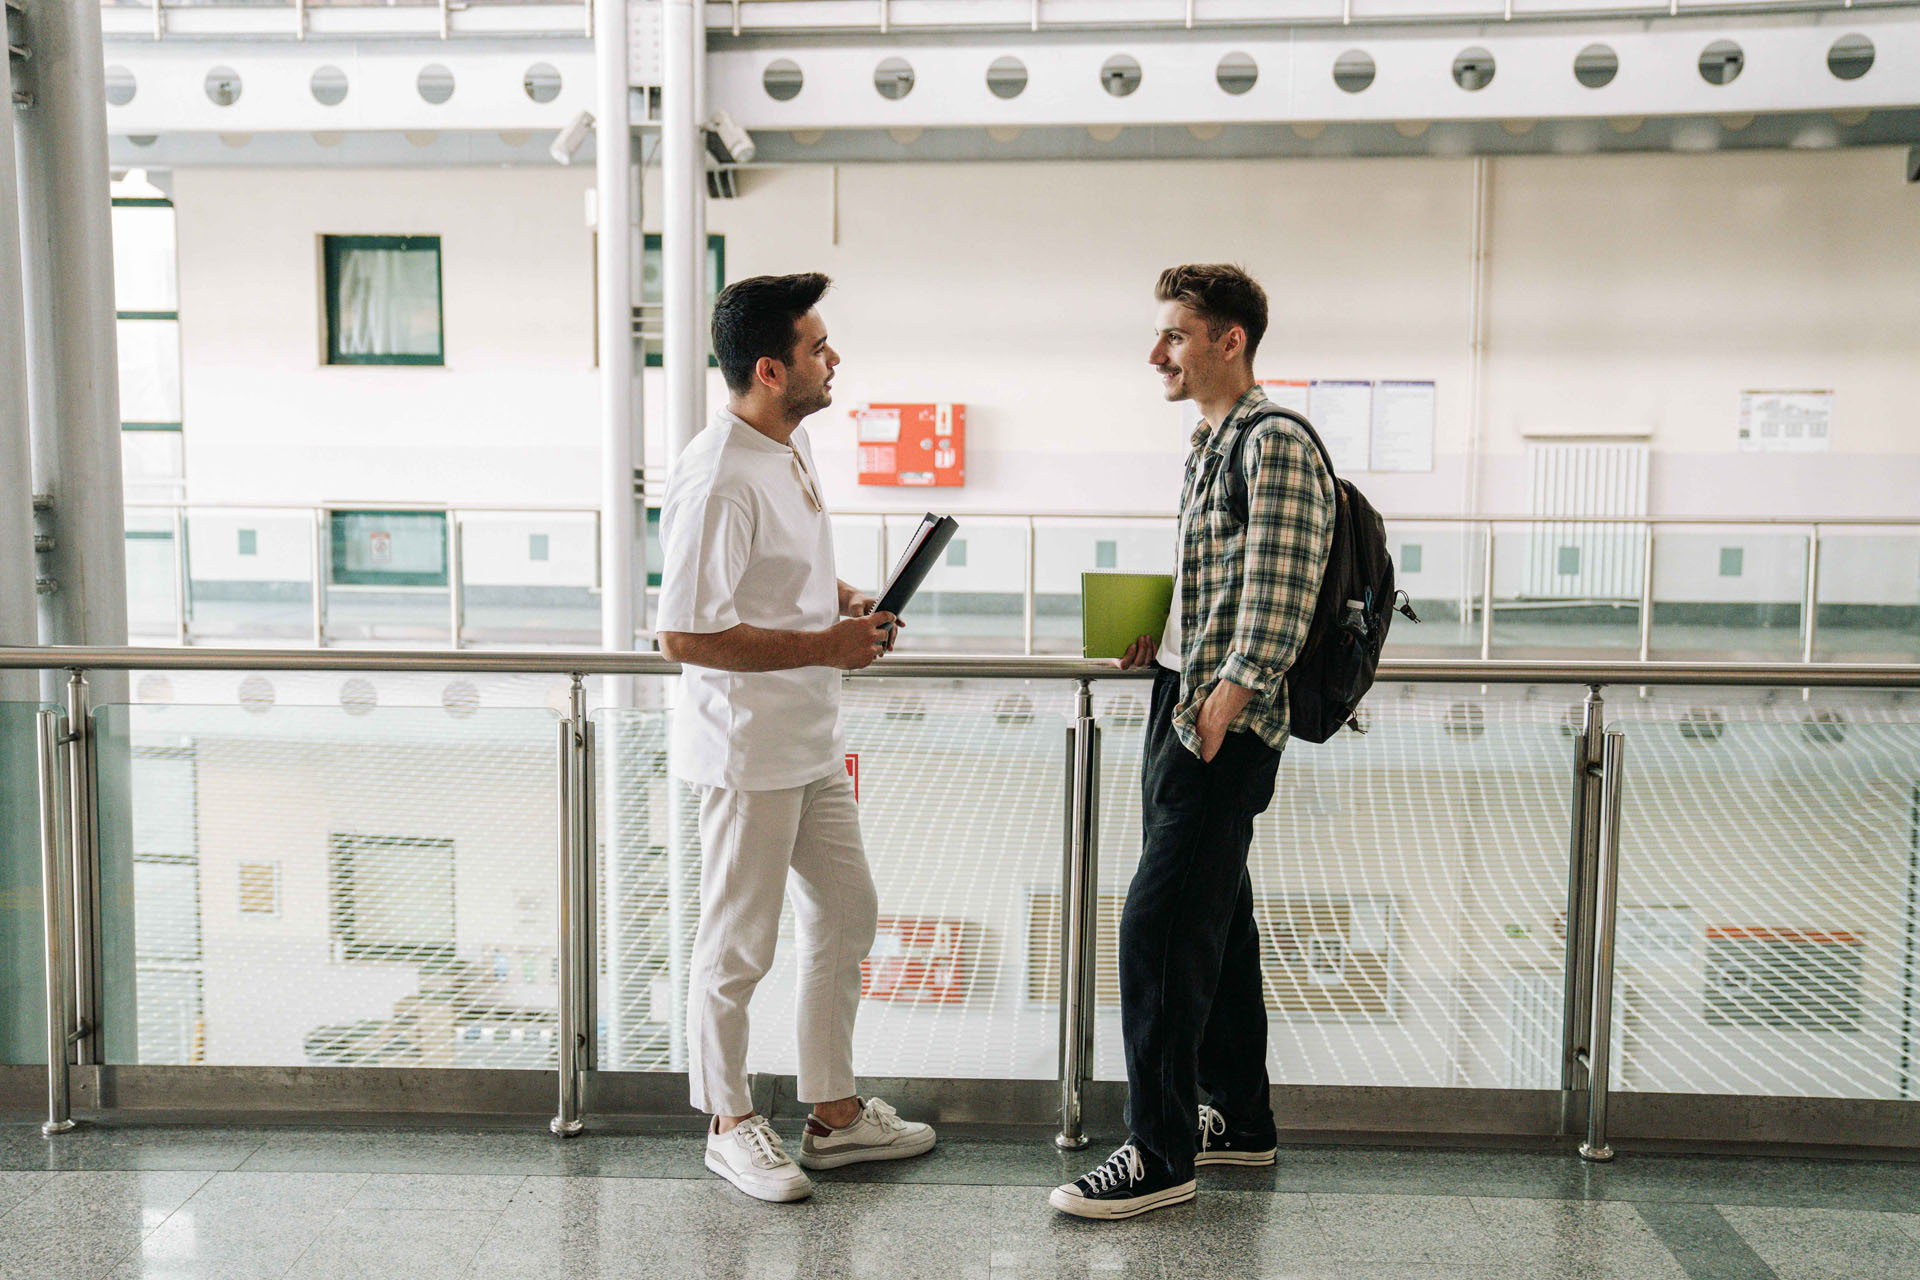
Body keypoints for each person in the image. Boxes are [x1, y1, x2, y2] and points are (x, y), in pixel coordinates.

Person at [1051, 264, 1335, 1220]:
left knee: (1159, 927)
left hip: (1224, 719)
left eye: (1174, 334)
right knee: (1219, 918)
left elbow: (1281, 588)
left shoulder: (1277, 441)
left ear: (1230, 341)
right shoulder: (1209, 444)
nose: (1156, 352)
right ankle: (1240, 1119)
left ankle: (1159, 1150)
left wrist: (1227, 700)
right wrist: (1166, 636)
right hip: (1184, 695)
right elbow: (1224, 577)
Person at [656, 272, 936, 1203]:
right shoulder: (717, 474)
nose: (835, 359)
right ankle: (729, 1121)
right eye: (819, 347)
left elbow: (771, 580)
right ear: (772, 369)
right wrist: (827, 643)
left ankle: (834, 1114)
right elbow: (686, 634)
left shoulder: (788, 442)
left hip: (808, 743)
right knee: (738, 947)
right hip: (747, 752)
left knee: (849, 912)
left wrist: (844, 599)